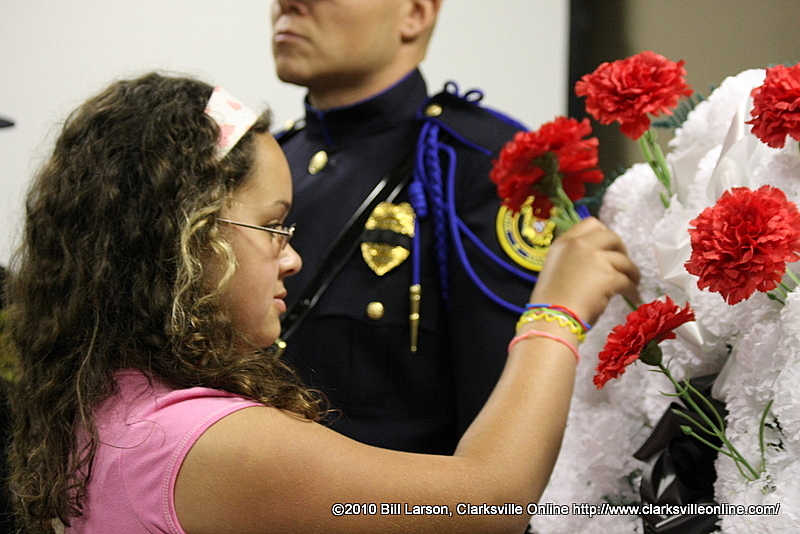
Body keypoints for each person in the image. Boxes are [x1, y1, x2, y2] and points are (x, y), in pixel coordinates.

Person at [5, 72, 638, 533]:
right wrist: (556, 312)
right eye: (272, 227)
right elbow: (489, 502)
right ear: (189, 235)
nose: (291, 259)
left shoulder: (110, 401)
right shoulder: (198, 442)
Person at [272, 0, 554, 455]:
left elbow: (502, 425)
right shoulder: (271, 160)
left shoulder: (476, 165)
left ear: (415, 14)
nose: (287, 3)